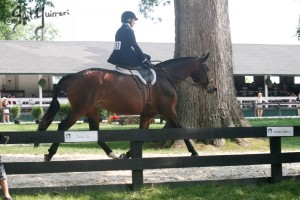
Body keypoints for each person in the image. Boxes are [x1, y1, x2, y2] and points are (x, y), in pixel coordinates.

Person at [107, 11, 153, 83]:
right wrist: (143, 59)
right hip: (126, 58)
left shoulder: (119, 30)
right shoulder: (128, 30)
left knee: (147, 56)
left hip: (118, 57)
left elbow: (118, 47)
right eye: (134, 20)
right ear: (129, 19)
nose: (134, 22)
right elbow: (134, 45)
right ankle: (148, 84)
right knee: (147, 61)